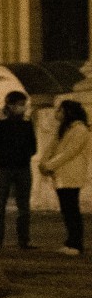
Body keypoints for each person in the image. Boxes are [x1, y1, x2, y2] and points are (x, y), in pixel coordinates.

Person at [0, 90, 38, 250]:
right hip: (3, 168)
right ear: (10, 105)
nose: (23, 108)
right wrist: (0, 152)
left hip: (23, 167)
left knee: (24, 205)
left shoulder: (26, 122)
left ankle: (24, 240)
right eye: (20, 105)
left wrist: (26, 153)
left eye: (24, 105)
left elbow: (33, 145)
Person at [39, 99, 88, 256]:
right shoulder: (65, 129)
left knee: (71, 209)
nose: (56, 113)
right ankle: (70, 241)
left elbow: (69, 153)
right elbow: (52, 148)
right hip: (61, 175)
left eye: (59, 110)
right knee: (67, 210)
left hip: (71, 174)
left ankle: (76, 243)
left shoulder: (79, 129)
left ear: (67, 112)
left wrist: (49, 165)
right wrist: (44, 163)